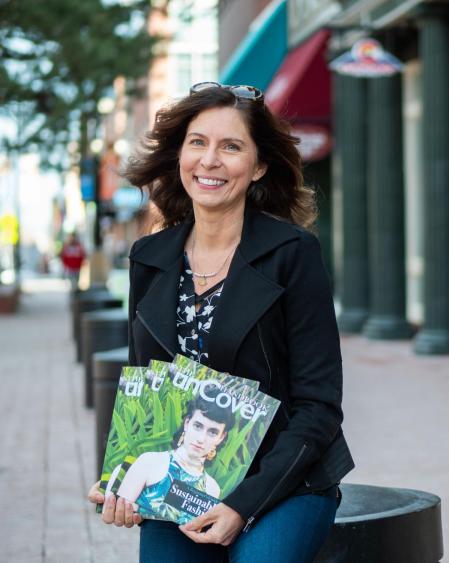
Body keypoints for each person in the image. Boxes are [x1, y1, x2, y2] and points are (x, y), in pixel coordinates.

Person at [87, 81, 354, 563]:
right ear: (180, 158)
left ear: (258, 166)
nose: (210, 160)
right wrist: (121, 479)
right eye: (198, 143)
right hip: (180, 486)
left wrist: (241, 504)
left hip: (284, 482)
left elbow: (319, 407)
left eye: (231, 146)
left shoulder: (292, 255)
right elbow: (145, 392)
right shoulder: (149, 257)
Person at [106, 395, 234, 525]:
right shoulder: (150, 462)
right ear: (187, 423)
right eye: (198, 426)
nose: (201, 439)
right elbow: (118, 510)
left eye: (212, 432)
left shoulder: (212, 488)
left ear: (221, 437)